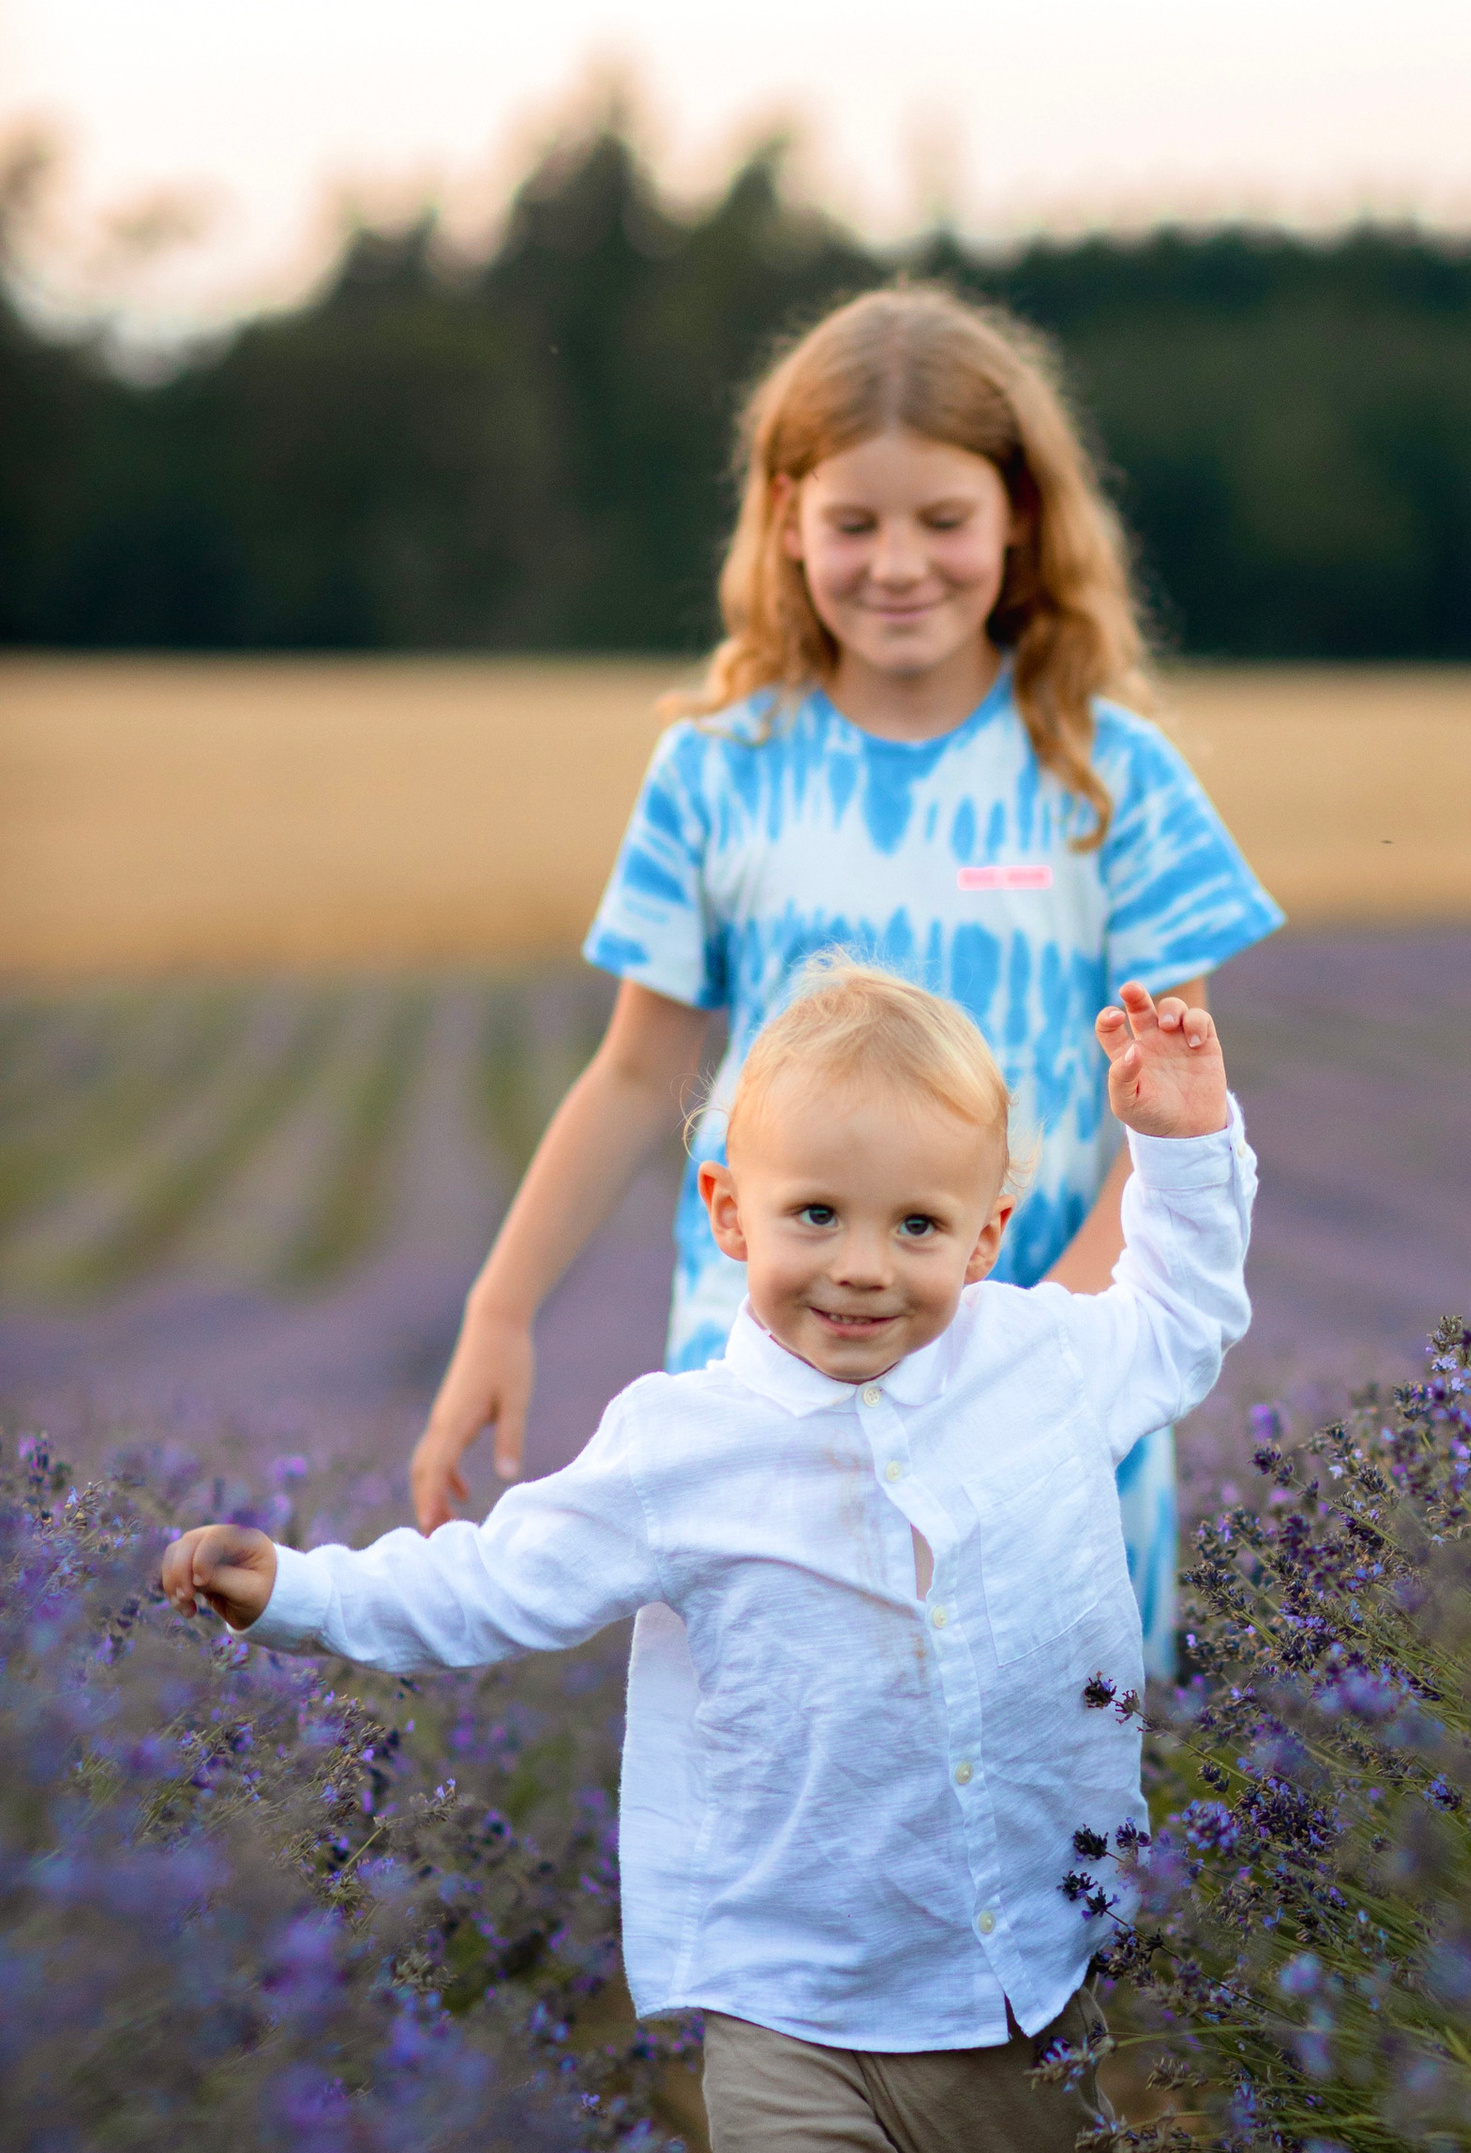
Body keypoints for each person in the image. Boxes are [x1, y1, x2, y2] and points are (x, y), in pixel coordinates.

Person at [166, 963, 1252, 2153]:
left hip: (1012, 1963)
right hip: (790, 1973)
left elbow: (1184, 1310)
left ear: (987, 1234)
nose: (860, 1265)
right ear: (727, 1209)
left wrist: (1182, 1140)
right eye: (814, 1213)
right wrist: (292, 1590)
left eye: (917, 1224)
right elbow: (497, 1585)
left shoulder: (1043, 1368)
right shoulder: (682, 1444)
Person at [408, 278, 1281, 1676]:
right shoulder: (716, 768)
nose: (898, 563)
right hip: (771, 1405)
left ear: (1019, 517)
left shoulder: (1114, 776)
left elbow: (1164, 1118)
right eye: (853, 523)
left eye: (943, 521)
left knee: (1058, 1820)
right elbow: (637, 1073)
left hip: (1040, 1395)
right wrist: (499, 1310)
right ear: (787, 519)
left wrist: (1035, 1354)